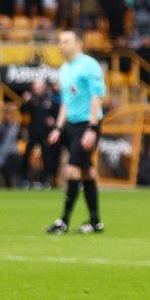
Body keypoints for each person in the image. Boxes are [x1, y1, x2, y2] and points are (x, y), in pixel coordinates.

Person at [45, 30, 107, 234]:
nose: (61, 45)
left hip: (87, 124)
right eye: (60, 42)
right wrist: (58, 127)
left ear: (78, 44)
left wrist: (92, 127)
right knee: (87, 172)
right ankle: (96, 221)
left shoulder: (89, 65)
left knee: (72, 170)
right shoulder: (64, 69)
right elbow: (66, 102)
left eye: (66, 42)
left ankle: (63, 221)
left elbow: (97, 96)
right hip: (71, 125)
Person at [21, 78, 60, 187]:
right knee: (26, 155)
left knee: (46, 157)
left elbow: (57, 112)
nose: (37, 88)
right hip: (33, 132)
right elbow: (23, 111)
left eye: (39, 86)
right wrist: (25, 101)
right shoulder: (31, 99)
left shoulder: (50, 99)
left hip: (45, 133)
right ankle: (25, 179)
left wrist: (53, 120)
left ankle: (45, 180)